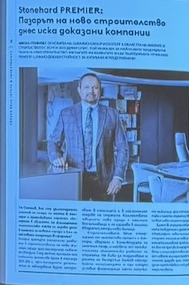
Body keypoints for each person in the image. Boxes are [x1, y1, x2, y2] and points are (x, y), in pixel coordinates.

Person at [47, 73, 129, 201]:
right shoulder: (66, 114)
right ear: (79, 90)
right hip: (75, 177)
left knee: (103, 213)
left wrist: (118, 177)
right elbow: (53, 142)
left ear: (100, 90)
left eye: (95, 87)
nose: (91, 91)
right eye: (86, 87)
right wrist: (55, 157)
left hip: (105, 180)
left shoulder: (112, 114)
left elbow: (122, 147)